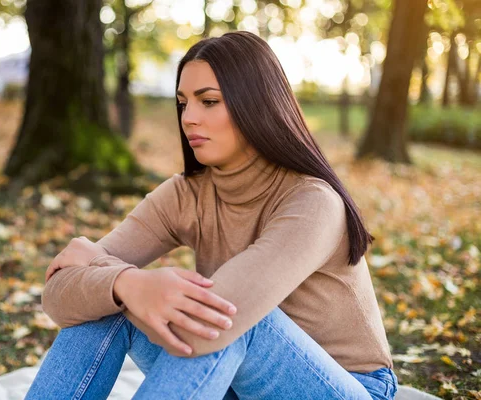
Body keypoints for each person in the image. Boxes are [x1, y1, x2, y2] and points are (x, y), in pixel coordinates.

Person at [25, 31, 397, 400]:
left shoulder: (312, 202)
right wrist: (124, 285)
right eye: (183, 102)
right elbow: (58, 297)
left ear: (257, 104)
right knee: (103, 303)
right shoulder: (186, 193)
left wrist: (113, 274)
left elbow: (209, 326)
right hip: (233, 379)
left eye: (208, 101)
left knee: (228, 317)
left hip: (345, 388)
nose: (188, 118)